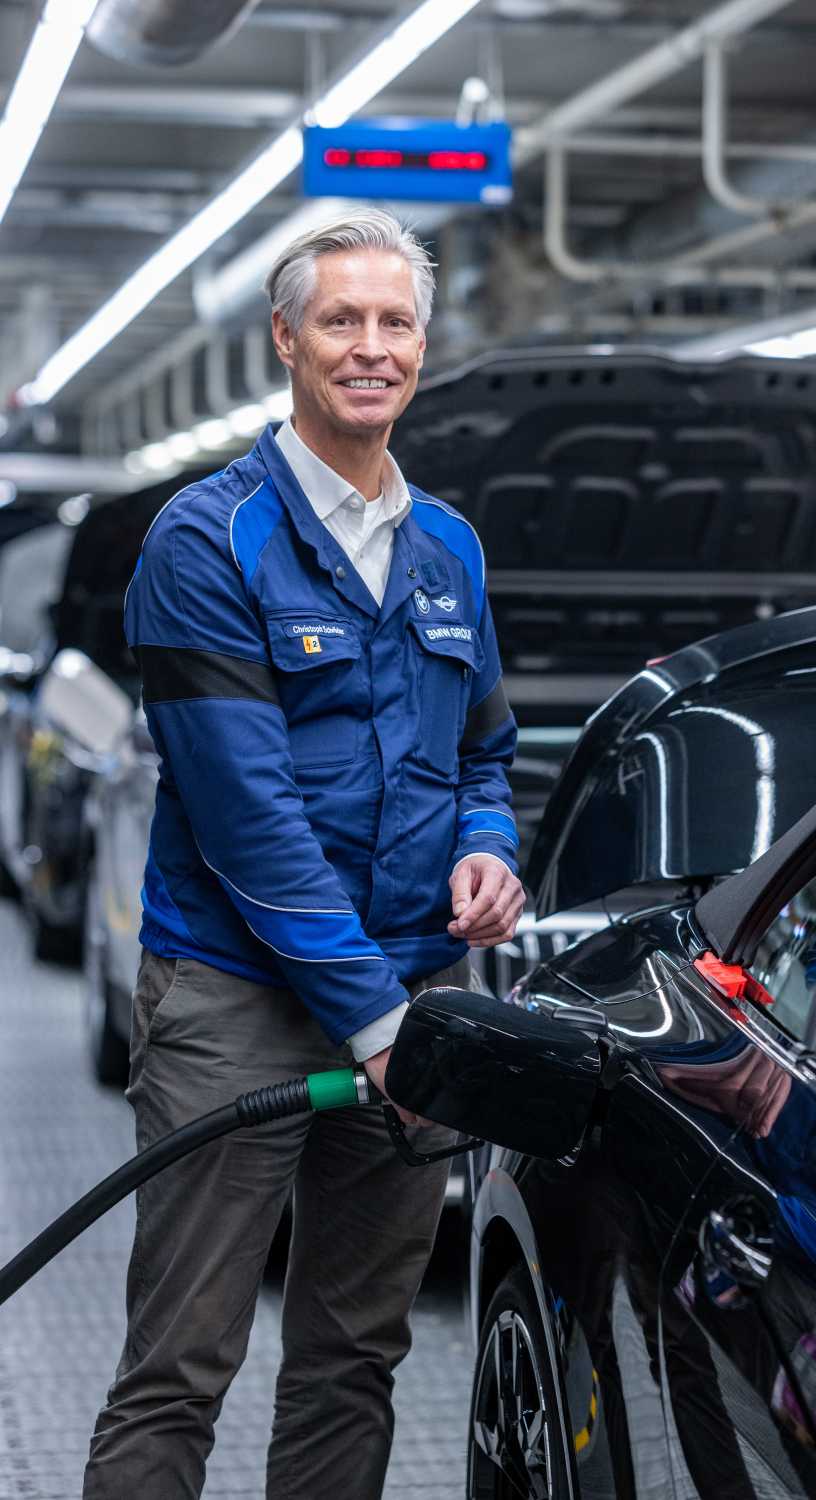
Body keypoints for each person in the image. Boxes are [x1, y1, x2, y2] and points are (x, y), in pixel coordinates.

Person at [83, 209, 524, 1500]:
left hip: (410, 995)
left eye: (396, 324)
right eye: (342, 320)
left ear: (423, 348)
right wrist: (384, 1025)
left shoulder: (450, 550)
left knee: (353, 1361)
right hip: (236, 1002)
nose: (372, 348)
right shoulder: (206, 544)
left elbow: (484, 755)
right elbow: (252, 830)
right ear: (286, 337)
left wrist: (488, 852)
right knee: (181, 1365)